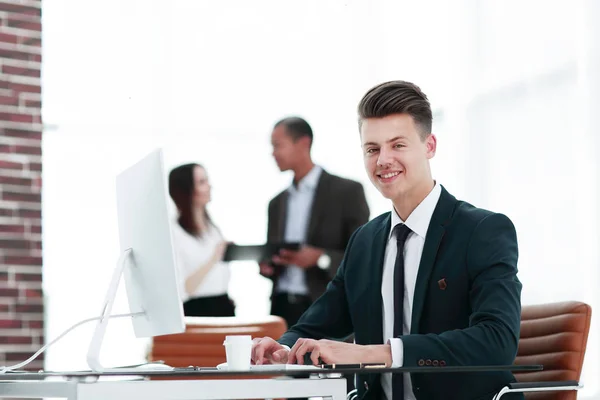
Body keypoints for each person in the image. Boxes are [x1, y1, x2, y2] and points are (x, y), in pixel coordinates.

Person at [252, 81, 522, 400]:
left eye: (398, 145)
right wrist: (283, 348)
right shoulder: (365, 241)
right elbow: (318, 324)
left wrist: (376, 353)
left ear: (430, 146)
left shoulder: (482, 230)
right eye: (372, 148)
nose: (383, 160)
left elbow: (497, 342)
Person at [259, 116, 370, 329]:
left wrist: (321, 258)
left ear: (303, 143)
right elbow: (272, 253)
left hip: (325, 305)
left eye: (278, 146)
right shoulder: (276, 203)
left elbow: (362, 256)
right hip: (281, 309)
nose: (273, 153)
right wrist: (268, 265)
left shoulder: (347, 191)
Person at [168, 163, 234, 317]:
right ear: (186, 189)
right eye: (202, 182)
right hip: (197, 311)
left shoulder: (212, 229)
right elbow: (185, 288)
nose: (209, 186)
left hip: (224, 306)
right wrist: (214, 258)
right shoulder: (175, 233)